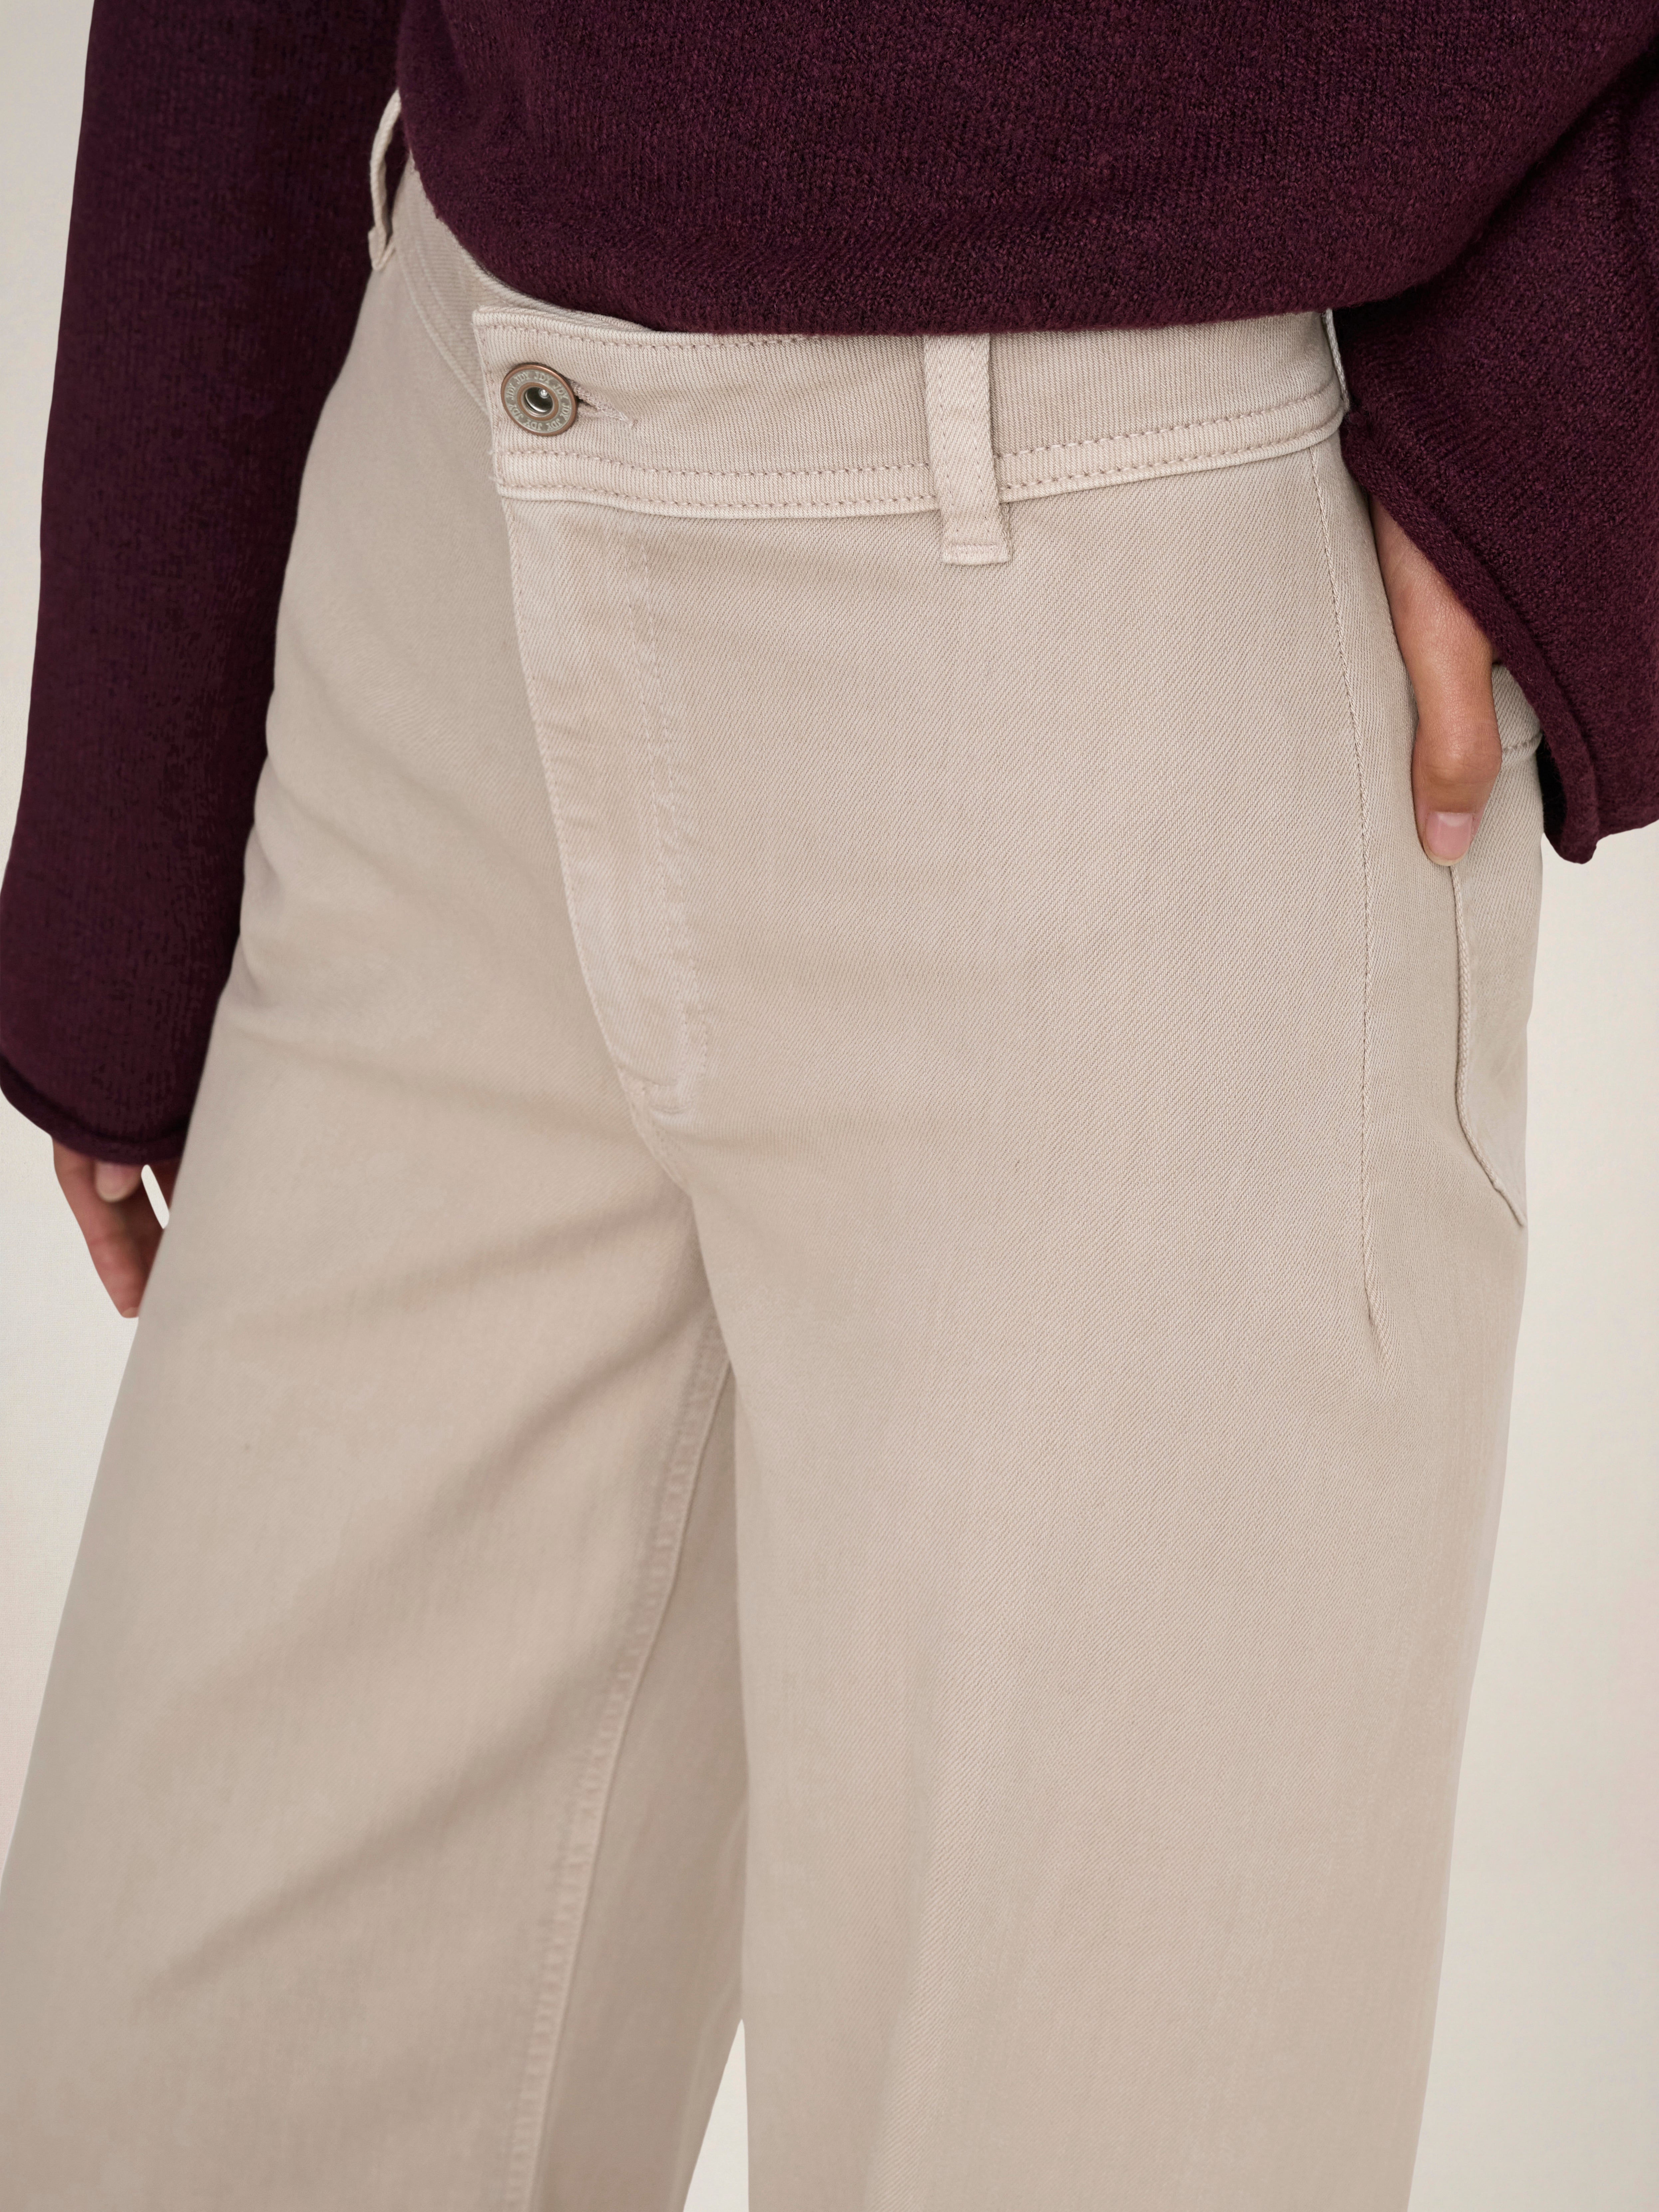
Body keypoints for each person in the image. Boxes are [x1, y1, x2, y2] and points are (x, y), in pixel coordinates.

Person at [0, 5, 1653, 2207]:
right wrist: (146, 714)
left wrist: (1599, 367)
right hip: (450, 505)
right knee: (167, 2111)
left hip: (1154, 556)